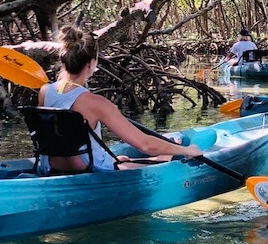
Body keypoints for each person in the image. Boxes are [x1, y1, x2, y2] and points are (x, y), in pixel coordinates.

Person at [38, 25, 202, 173]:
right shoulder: (96, 103)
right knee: (164, 158)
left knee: (124, 159)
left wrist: (109, 159)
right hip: (91, 171)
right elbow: (145, 145)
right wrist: (188, 151)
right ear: (92, 63)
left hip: (50, 168)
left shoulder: (44, 92)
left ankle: (116, 161)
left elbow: (64, 140)